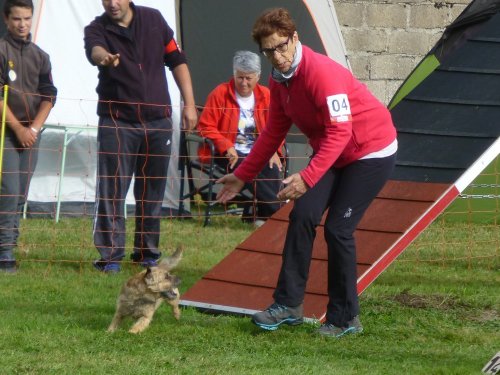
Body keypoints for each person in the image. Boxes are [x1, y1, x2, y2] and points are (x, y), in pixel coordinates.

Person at [216, 8, 397, 337]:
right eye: (269, 51)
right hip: (335, 152)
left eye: (282, 46)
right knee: (302, 215)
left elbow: (341, 132)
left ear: (295, 38)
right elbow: (273, 133)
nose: (278, 56)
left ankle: (344, 318)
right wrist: (243, 174)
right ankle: (288, 305)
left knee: (339, 228)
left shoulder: (321, 74)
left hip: (370, 150)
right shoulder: (278, 79)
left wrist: (307, 177)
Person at [84, 0, 197, 273]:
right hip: (118, 122)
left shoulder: (154, 20)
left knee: (152, 192)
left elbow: (177, 60)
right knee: (112, 191)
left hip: (158, 123)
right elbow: (95, 52)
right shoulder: (96, 28)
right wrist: (105, 59)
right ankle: (110, 257)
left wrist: (190, 104)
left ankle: (147, 252)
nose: (113, 3)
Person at [0, 0, 57, 273]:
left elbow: (49, 96)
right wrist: (18, 129)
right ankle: (5, 253)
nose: (22, 25)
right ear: (6, 19)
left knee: (20, 193)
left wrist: (32, 129)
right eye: (16, 19)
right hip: (5, 133)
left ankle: (10, 243)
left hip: (31, 134)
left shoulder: (41, 56)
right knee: (8, 190)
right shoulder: (1, 50)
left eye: (26, 19)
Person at [197, 50, 283, 226]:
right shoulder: (219, 93)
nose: (243, 83)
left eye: (248, 78)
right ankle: (279, 214)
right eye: (240, 77)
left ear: (258, 77)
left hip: (259, 151)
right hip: (227, 154)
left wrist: (275, 149)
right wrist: (225, 144)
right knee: (253, 165)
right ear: (234, 74)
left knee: (271, 165)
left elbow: (278, 127)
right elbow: (205, 126)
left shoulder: (267, 95)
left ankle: (262, 216)